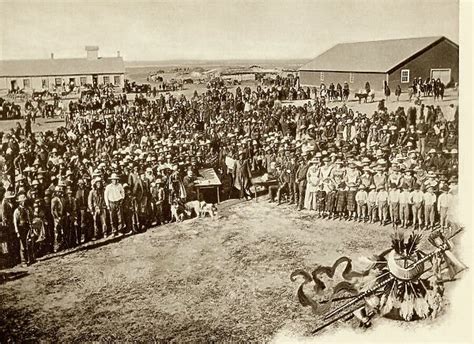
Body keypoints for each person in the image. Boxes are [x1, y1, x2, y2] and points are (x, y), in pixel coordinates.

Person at [13, 194, 35, 266]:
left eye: (24, 201)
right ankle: (24, 261)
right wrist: (17, 232)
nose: (24, 202)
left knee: (29, 243)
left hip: (28, 227)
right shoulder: (16, 211)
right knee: (23, 245)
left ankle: (31, 258)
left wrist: (31, 226)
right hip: (21, 229)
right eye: (22, 201)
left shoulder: (28, 209)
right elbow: (15, 222)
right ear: (20, 202)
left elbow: (31, 217)